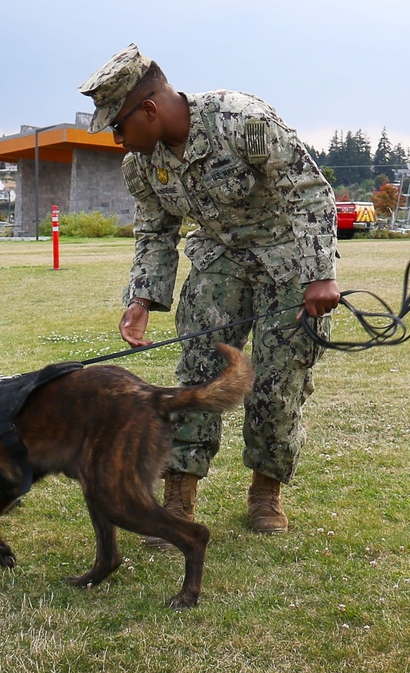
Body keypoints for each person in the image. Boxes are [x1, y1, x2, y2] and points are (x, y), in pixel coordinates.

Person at [78, 44, 340, 537]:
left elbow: (309, 190)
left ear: (150, 109)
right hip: (219, 260)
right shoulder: (141, 163)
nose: (116, 139)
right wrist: (141, 299)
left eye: (118, 125)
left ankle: (266, 492)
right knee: (197, 375)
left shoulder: (242, 120)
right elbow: (155, 230)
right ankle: (178, 497)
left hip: (287, 260)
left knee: (276, 382)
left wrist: (319, 274)